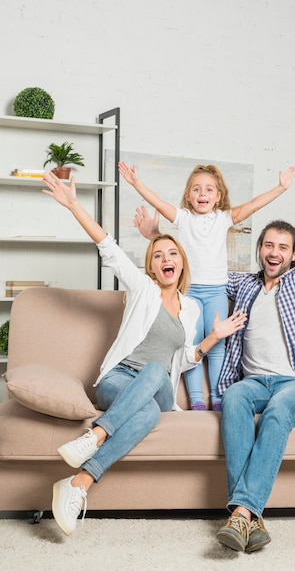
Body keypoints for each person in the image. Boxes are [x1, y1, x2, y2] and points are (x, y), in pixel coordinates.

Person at [136, 141, 295, 554]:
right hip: (254, 382)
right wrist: (155, 236)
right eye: (268, 245)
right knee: (235, 396)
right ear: (259, 250)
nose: (274, 252)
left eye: (282, 247)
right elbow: (191, 268)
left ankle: (240, 512)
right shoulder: (242, 285)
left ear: (293, 255)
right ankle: (249, 519)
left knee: (276, 413)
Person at [41, 172, 247, 537]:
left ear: (181, 263)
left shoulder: (192, 310)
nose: (166, 259)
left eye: (172, 253)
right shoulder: (142, 290)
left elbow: (182, 360)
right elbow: (108, 245)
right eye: (157, 255)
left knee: (155, 372)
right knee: (148, 413)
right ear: (151, 267)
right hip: (117, 381)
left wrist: (213, 337)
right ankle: (79, 484)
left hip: (158, 385)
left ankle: (96, 435)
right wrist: (74, 205)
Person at [118, 160, 294, 412]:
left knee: (217, 343)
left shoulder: (223, 218)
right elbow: (157, 201)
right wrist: (136, 182)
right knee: (191, 345)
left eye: (209, 189)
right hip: (188, 292)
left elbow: (252, 205)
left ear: (218, 196)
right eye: (197, 189)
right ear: (188, 196)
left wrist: (280, 188)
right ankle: (197, 400)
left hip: (216, 292)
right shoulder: (183, 218)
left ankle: (217, 396)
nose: (203, 194)